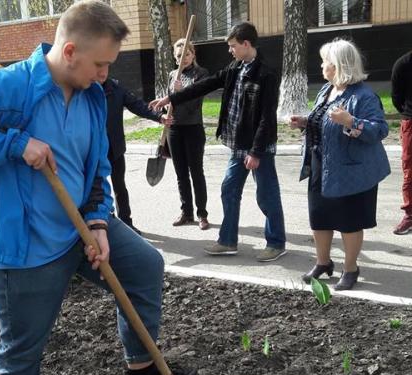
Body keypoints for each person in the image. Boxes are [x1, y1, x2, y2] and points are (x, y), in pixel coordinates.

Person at [0, 2, 196, 375]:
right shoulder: (7, 87)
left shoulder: (92, 96)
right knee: (21, 350)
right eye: (100, 63)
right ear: (69, 50)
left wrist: (99, 224)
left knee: (144, 266)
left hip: (79, 229)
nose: (106, 74)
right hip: (25, 246)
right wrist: (16, 144)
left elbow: (97, 169)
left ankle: (140, 372)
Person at [150, 22, 286, 261]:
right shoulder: (236, 67)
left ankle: (276, 243)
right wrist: (170, 97)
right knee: (229, 189)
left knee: (266, 195)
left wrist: (255, 152)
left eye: (233, 46)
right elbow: (206, 84)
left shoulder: (266, 73)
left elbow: (266, 118)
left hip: (258, 148)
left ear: (246, 44)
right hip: (238, 145)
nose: (230, 50)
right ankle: (228, 241)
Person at [290, 38, 390, 290]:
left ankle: (351, 268)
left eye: (326, 61)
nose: (322, 65)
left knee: (349, 221)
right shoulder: (327, 90)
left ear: (339, 65)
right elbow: (323, 120)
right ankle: (323, 262)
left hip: (351, 170)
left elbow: (379, 130)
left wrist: (351, 122)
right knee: (320, 218)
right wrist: (305, 121)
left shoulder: (365, 96)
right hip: (320, 164)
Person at [99, 76, 170, 234]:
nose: (102, 72)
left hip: (115, 149)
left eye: (105, 67)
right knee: (97, 189)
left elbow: (138, 105)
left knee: (120, 187)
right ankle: (100, 226)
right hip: (94, 152)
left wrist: (159, 117)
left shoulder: (116, 89)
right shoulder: (85, 90)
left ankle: (126, 224)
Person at [166, 38, 210, 230]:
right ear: (175, 58)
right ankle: (187, 212)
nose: (183, 59)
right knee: (180, 173)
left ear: (193, 55)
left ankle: (202, 214)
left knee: (196, 172)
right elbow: (169, 103)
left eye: (186, 54)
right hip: (174, 129)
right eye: (179, 56)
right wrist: (165, 111)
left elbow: (195, 102)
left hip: (193, 128)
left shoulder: (201, 74)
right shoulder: (172, 75)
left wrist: (181, 91)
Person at [391, 49, 412, 235]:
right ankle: (410, 215)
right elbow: (397, 98)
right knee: (410, 172)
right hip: (411, 121)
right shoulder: (404, 64)